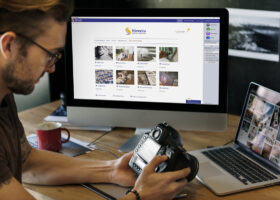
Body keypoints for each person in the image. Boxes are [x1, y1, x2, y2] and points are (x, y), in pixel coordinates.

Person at [0, 1, 190, 200]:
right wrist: (140, 197)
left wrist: (111, 170)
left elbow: (28, 163)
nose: (52, 68)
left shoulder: (5, 93)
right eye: (50, 55)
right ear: (9, 45)